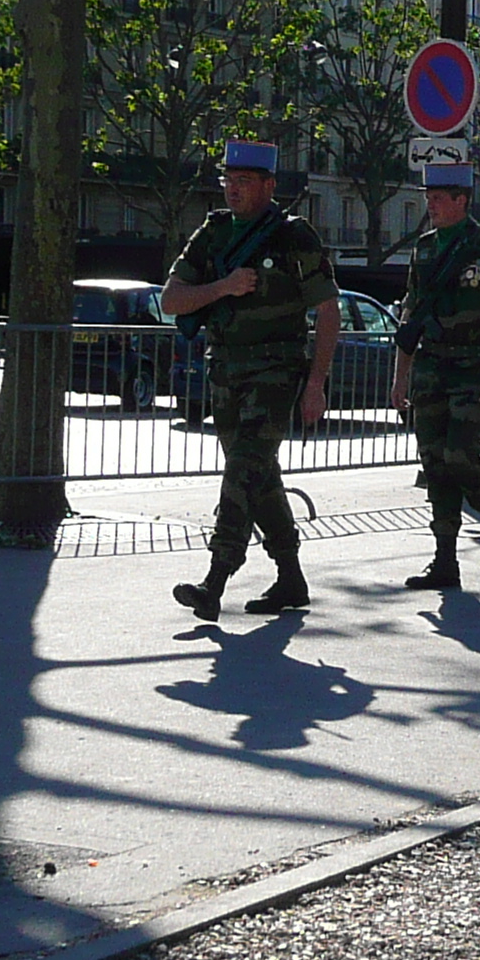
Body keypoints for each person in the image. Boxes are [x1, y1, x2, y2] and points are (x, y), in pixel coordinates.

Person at [164, 140, 338, 619]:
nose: (233, 189)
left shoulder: (293, 236)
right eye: (228, 180)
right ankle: (291, 577)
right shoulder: (215, 232)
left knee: (243, 468)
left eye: (244, 181)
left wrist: (317, 382)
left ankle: (215, 580)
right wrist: (223, 286)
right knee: (260, 479)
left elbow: (328, 310)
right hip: (225, 370)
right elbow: (171, 299)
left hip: (276, 370)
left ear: (268, 185)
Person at [390, 162, 480, 591]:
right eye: (428, 197)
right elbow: (410, 314)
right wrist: (400, 378)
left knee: (459, 454)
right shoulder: (425, 248)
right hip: (432, 366)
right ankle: (444, 560)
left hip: (474, 366)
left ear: (461, 200)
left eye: (438, 198)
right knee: (434, 463)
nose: (430, 205)